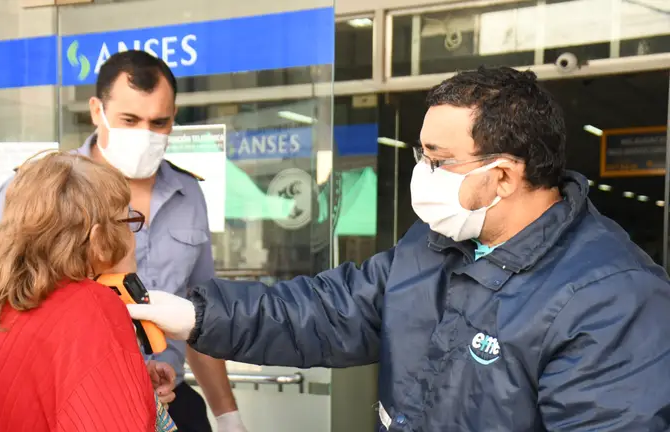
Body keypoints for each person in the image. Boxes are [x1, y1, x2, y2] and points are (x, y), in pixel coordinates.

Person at [128, 66, 670, 431]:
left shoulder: (614, 300)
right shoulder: (438, 243)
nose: (422, 173)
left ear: (503, 176)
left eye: (439, 160)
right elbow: (326, 311)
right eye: (420, 154)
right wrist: (195, 314)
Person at [0, 50, 245, 432]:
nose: (145, 134)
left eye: (159, 122)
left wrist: (228, 416)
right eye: (130, 120)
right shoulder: (36, 191)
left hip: (169, 399)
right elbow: (1, 311)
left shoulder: (188, 193)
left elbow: (200, 314)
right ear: (97, 111)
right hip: (75, 411)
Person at [0, 152, 175, 432]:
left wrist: (128, 384)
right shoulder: (92, 308)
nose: (135, 235)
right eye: (128, 222)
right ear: (98, 239)